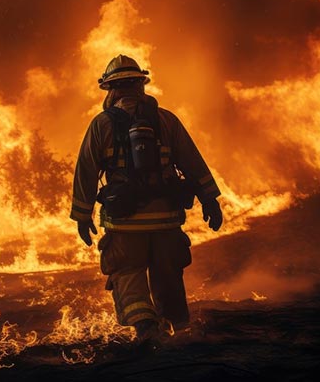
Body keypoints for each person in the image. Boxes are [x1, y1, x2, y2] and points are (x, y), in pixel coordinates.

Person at [70, 54, 223, 343]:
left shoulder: (101, 124)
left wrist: (82, 215)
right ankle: (179, 333)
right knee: (168, 277)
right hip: (166, 220)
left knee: (127, 273)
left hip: (124, 224)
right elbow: (192, 161)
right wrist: (210, 200)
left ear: (111, 89)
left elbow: (86, 171)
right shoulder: (166, 120)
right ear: (141, 85)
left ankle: (146, 329)